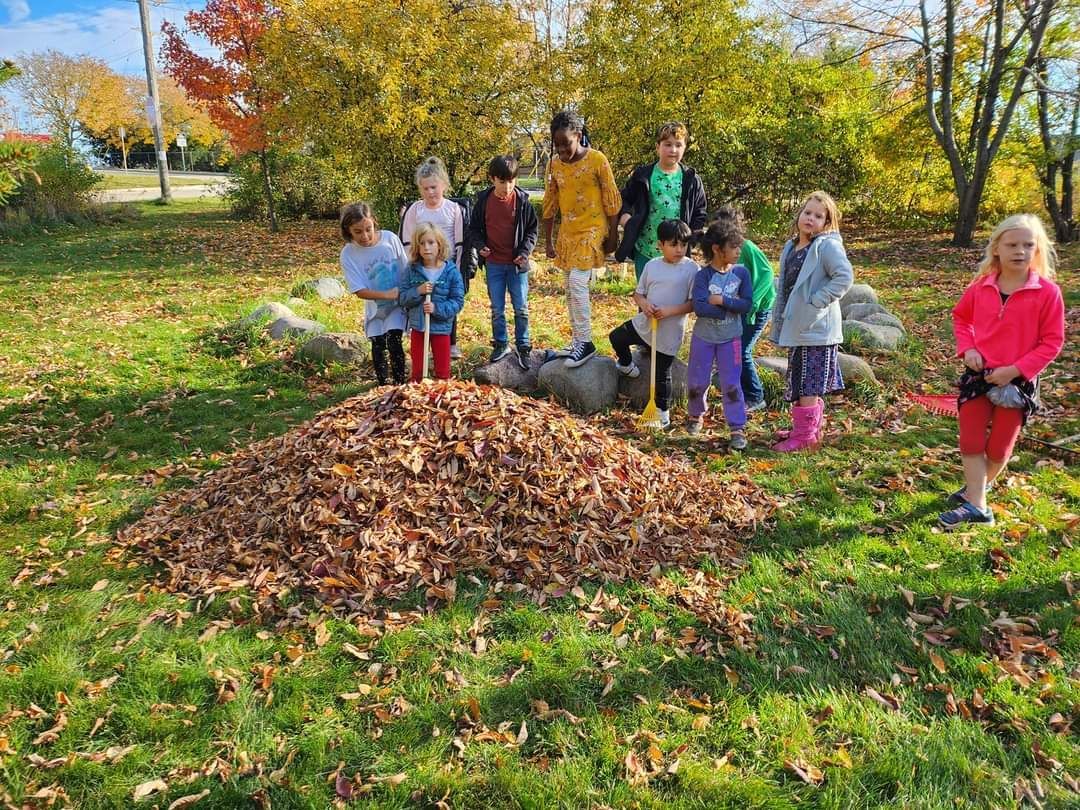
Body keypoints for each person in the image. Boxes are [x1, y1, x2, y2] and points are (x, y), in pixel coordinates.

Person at [938, 214, 1065, 529]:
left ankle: (976, 488)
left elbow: (1053, 341)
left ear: (1036, 249)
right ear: (997, 248)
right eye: (1011, 244)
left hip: (1018, 383)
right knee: (970, 439)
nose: (1019, 251)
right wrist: (968, 349)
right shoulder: (982, 287)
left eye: (1027, 245)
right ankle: (978, 506)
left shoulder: (1048, 293)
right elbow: (960, 317)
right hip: (978, 377)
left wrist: (1015, 370)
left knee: (999, 447)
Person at [768, 191, 853, 452]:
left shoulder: (827, 246)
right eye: (807, 213)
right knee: (799, 377)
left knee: (809, 381)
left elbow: (844, 277)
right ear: (799, 214)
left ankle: (805, 437)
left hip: (816, 327)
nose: (810, 218)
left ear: (827, 223)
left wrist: (818, 300)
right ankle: (806, 429)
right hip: (798, 326)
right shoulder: (792, 246)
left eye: (818, 216)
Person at [542, 110, 622, 368]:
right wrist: (548, 240)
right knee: (568, 284)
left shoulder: (597, 160)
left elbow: (611, 198)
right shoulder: (555, 164)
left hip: (593, 229)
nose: (562, 150)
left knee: (578, 282)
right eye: (558, 145)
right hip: (569, 231)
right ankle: (577, 340)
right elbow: (551, 199)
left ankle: (586, 342)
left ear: (578, 135)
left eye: (567, 143)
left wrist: (613, 235)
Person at [608, 219, 698, 429]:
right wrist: (645, 304)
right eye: (673, 245)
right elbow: (638, 294)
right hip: (646, 323)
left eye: (683, 245)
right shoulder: (652, 265)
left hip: (669, 329)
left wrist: (669, 311)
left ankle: (662, 413)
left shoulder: (692, 269)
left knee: (661, 373)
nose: (679, 250)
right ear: (660, 244)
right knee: (617, 336)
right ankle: (626, 364)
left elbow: (693, 304)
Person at [687, 220, 753, 450]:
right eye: (733, 247)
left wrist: (723, 301)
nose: (738, 252)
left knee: (731, 383)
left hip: (731, 338)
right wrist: (727, 309)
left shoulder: (741, 273)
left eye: (739, 247)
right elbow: (700, 307)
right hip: (703, 338)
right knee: (697, 381)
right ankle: (695, 416)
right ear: (717, 248)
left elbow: (746, 304)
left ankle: (737, 427)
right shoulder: (703, 276)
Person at [615, 121, 708, 281]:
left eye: (678, 145)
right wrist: (625, 218)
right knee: (647, 297)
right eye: (667, 144)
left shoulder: (691, 179)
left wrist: (689, 240)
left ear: (685, 147)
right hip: (646, 249)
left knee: (675, 296)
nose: (673, 150)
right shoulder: (643, 175)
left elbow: (699, 212)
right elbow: (623, 199)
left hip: (678, 251)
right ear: (658, 146)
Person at [469, 154, 538, 370]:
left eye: (511, 181)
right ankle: (501, 343)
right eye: (502, 181)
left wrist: (525, 253)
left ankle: (524, 346)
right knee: (497, 308)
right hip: (495, 264)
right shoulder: (483, 202)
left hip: (517, 265)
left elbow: (532, 231)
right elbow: (473, 230)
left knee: (521, 308)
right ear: (492, 179)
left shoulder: (523, 202)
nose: (507, 186)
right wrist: (481, 247)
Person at [400, 156, 466, 360]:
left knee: (446, 300)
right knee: (421, 303)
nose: (430, 192)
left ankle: (450, 341)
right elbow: (407, 240)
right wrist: (412, 265)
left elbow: (460, 241)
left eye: (434, 187)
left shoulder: (453, 209)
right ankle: (419, 341)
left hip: (446, 267)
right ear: (420, 189)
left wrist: (456, 269)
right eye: (426, 188)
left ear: (443, 185)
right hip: (421, 267)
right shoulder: (415, 210)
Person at [711, 205, 775, 411]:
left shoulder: (747, 247)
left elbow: (767, 274)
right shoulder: (725, 250)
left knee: (742, 350)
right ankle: (740, 392)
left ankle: (756, 397)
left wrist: (753, 302)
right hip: (742, 308)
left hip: (757, 308)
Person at [338, 202, 408, 385]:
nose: (365, 236)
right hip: (375, 308)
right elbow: (359, 290)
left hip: (398, 304)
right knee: (378, 344)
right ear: (348, 231)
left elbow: (406, 269)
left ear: (374, 222)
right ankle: (383, 386)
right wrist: (388, 295)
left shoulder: (390, 239)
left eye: (368, 229)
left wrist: (406, 294)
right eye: (358, 231)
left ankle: (400, 384)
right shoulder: (348, 254)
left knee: (394, 340)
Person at [398, 223, 465, 382]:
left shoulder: (451, 272)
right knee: (418, 371)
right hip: (419, 328)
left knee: (443, 371)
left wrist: (436, 308)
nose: (426, 247)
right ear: (417, 246)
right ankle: (416, 401)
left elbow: (457, 301)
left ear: (439, 244)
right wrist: (418, 291)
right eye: (422, 243)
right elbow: (402, 298)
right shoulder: (411, 270)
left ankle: (441, 399)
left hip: (441, 328)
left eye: (431, 242)